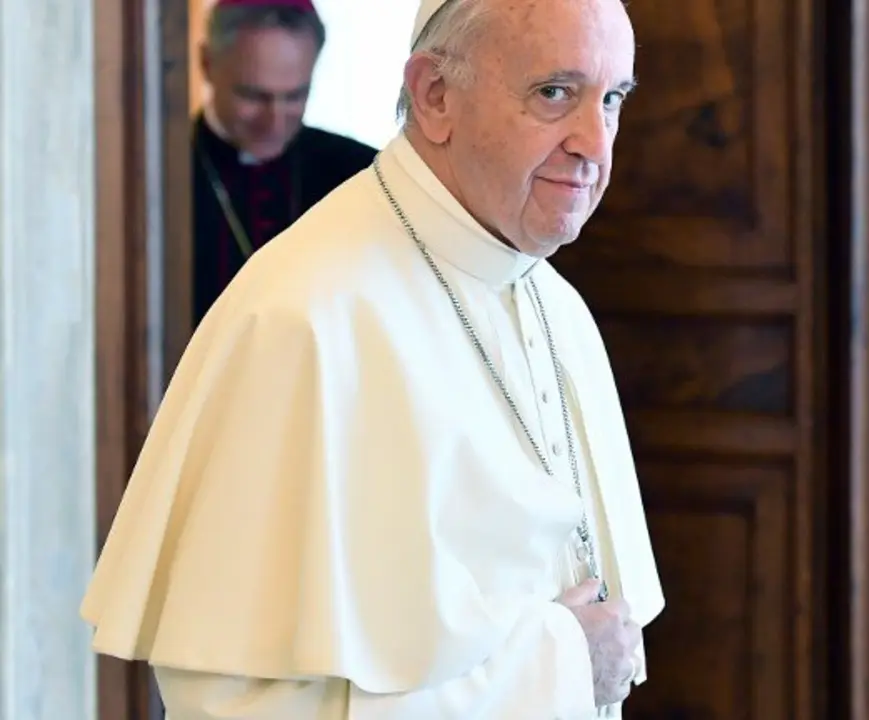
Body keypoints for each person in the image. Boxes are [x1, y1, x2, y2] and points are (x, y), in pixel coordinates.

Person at [81, 0, 664, 717]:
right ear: (435, 95)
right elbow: (237, 704)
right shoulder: (305, 317)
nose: (594, 144)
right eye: (553, 93)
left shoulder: (557, 308)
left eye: (612, 100)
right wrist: (559, 669)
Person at [192, 0, 378, 324]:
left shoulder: (363, 173)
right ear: (207, 64)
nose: (274, 122)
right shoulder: (160, 175)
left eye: (295, 96)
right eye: (253, 96)